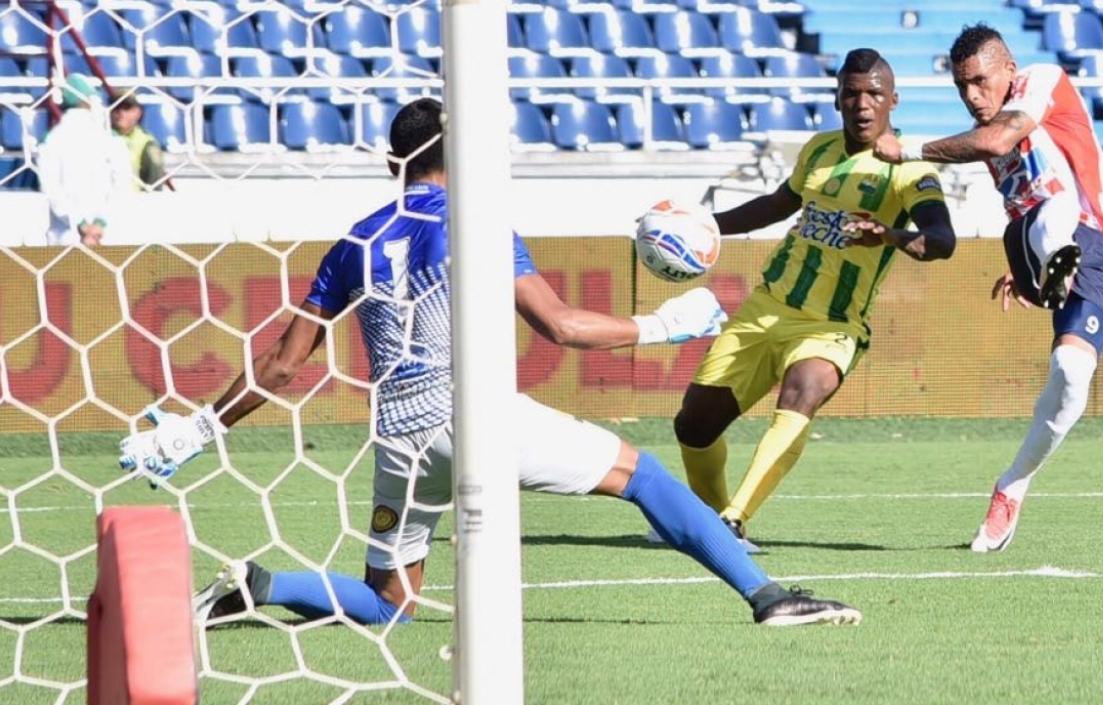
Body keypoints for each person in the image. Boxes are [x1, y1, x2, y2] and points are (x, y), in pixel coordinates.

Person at [117, 98, 862, 628]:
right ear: (461, 154)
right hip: (470, 413)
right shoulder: (473, 224)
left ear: (390, 162)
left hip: (399, 439)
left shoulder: (354, 243)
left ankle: (262, 584)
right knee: (647, 477)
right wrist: (664, 322)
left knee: (391, 603)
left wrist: (200, 425)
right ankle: (768, 597)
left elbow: (283, 366)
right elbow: (561, 327)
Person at [668, 49, 956, 552]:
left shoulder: (910, 169)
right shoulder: (819, 150)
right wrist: (706, 226)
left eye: (874, 94)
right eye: (852, 93)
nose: (862, 105)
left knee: (802, 391)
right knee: (693, 425)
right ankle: (708, 519)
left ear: (894, 100)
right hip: (767, 308)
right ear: (837, 98)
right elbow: (779, 205)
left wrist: (887, 234)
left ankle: (734, 521)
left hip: (832, 325)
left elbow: (941, 240)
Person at [871, 24, 1103, 552]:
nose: (971, 96)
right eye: (962, 87)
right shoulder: (985, 138)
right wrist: (1028, 266)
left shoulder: (1043, 81)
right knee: (1037, 220)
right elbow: (1014, 192)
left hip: (1096, 245)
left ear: (1009, 71)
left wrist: (908, 149)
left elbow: (999, 139)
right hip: (1035, 241)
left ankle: (1011, 485)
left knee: (1071, 373)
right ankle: (1050, 261)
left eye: (980, 82)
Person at [36, 73, 131, 246]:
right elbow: (122, 184)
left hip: (65, 238)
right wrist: (100, 224)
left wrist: (80, 224)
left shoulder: (50, 140)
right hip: (105, 236)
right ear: (89, 100)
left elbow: (50, 188)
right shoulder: (111, 139)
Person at [110, 94, 168, 191]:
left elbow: (154, 182)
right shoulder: (101, 136)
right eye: (116, 108)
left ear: (138, 112)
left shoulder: (147, 143)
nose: (121, 113)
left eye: (127, 108)